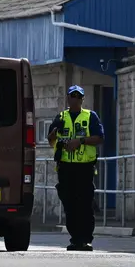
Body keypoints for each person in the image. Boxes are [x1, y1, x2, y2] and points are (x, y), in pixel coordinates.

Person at [47, 85, 104, 251]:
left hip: (84, 167)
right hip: (65, 168)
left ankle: (86, 239)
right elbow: (51, 141)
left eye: (79, 97)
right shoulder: (61, 117)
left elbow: (99, 137)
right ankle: (75, 239)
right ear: (68, 98)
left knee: (85, 204)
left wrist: (80, 141)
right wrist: (54, 133)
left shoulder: (90, 116)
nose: (75, 100)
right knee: (70, 205)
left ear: (82, 100)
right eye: (72, 96)